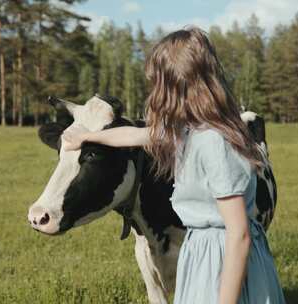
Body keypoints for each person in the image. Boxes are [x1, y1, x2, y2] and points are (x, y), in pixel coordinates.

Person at [61, 26, 286, 304]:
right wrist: (87, 136)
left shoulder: (215, 142)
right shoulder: (187, 131)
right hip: (201, 252)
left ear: (178, 86)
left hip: (222, 256)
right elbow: (134, 134)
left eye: (158, 84)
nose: (154, 94)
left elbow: (238, 235)